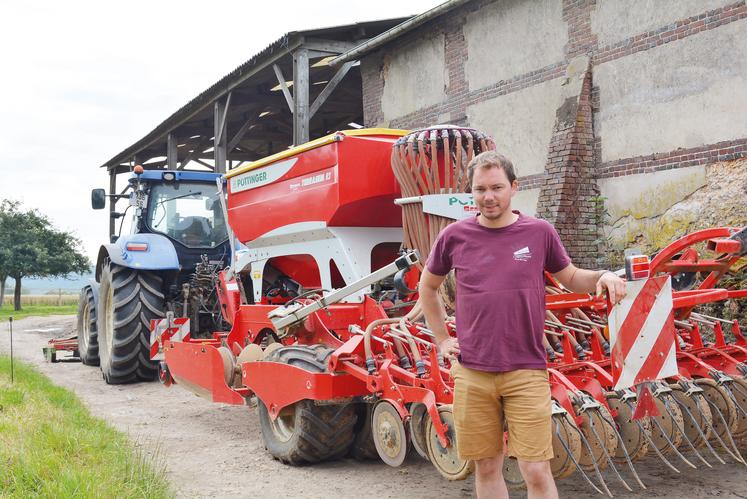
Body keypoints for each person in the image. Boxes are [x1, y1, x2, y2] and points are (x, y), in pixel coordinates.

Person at [419, 151, 626, 499]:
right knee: (486, 466)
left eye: (497, 187)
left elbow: (571, 277)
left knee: (536, 468)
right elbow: (428, 286)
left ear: (514, 187)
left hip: (526, 369)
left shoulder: (539, 232)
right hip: (472, 371)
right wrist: (442, 340)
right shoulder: (454, 237)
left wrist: (603, 275)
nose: (488, 197)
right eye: (480, 189)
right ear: (471, 192)